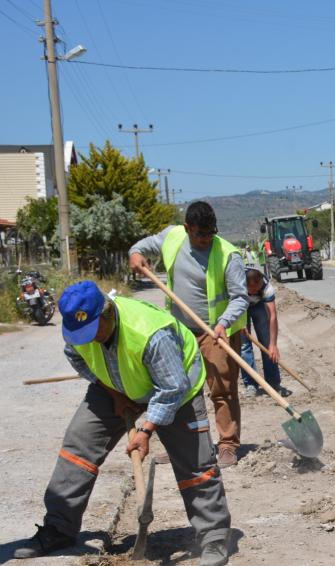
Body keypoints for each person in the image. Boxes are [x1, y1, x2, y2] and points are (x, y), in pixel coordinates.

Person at [11, 281, 230, 565]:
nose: (88, 339)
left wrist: (146, 430)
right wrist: (115, 394)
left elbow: (172, 387)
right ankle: (59, 529)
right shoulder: (78, 331)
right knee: (77, 447)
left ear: (107, 314)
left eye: (93, 331)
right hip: (116, 385)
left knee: (195, 463)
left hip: (176, 388)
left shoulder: (150, 333)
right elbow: (76, 357)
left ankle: (213, 536)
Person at [129, 201, 248, 468]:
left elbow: (240, 298)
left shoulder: (228, 255)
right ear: (186, 228)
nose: (206, 239)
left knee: (222, 390)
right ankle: (184, 447)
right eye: (200, 234)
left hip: (216, 332)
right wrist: (135, 253)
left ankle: (228, 445)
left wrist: (223, 323)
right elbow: (140, 247)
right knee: (178, 390)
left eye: (210, 233)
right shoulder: (172, 237)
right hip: (180, 333)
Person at [240, 263, 291, 397]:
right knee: (244, 347)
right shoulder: (238, 284)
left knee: (268, 345)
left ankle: (273, 383)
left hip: (259, 306)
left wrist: (273, 344)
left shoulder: (267, 288)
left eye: (256, 289)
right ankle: (251, 384)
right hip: (240, 306)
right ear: (245, 285)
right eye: (251, 289)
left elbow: (272, 316)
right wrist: (240, 323)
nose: (254, 292)